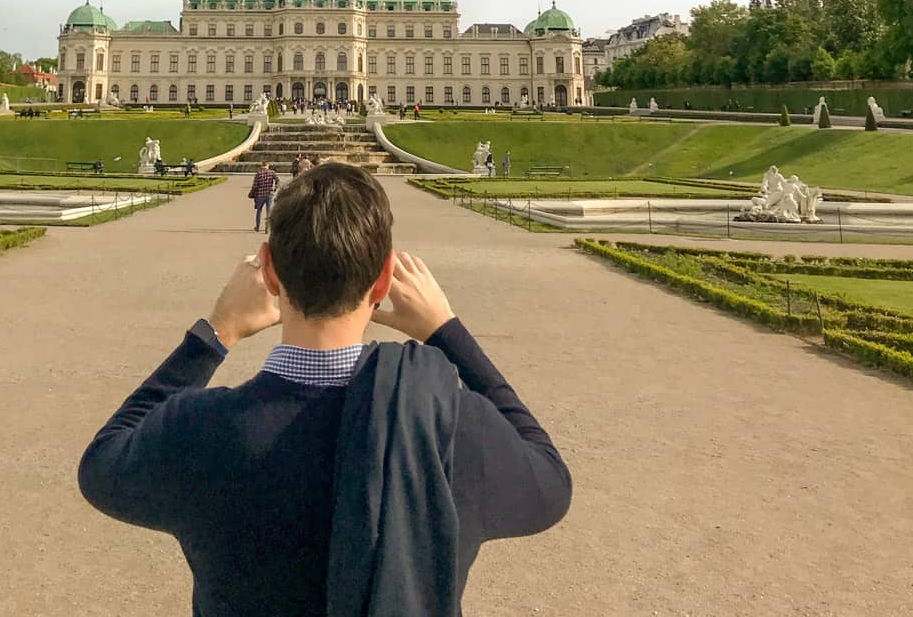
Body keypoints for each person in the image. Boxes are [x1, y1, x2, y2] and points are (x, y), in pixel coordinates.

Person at [78, 164, 571, 616]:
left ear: (269, 271)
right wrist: (446, 331)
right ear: (384, 280)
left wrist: (216, 332)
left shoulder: (200, 429)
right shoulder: (450, 428)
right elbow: (550, 480)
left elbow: (102, 464)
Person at [247, 162, 279, 232]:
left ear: (262, 165)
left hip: (260, 195)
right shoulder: (272, 172)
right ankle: (267, 226)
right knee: (268, 211)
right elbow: (278, 180)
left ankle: (257, 227)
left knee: (259, 211)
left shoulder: (258, 174)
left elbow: (255, 186)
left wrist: (252, 193)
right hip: (269, 194)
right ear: (268, 165)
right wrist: (275, 188)